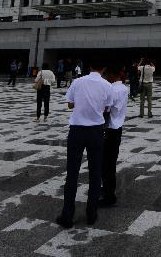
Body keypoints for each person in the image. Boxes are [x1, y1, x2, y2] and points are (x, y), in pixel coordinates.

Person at [56, 61, 113, 229]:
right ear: (104, 68)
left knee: (72, 173)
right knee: (95, 173)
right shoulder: (107, 85)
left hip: (77, 131)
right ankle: (91, 214)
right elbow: (107, 108)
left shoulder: (78, 81)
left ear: (89, 66)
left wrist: (81, 103)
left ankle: (67, 215)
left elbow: (70, 104)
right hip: (96, 132)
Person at [101, 65, 129, 207]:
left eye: (107, 75)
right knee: (110, 162)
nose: (105, 78)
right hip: (117, 128)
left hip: (109, 129)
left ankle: (109, 195)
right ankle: (106, 189)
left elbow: (106, 108)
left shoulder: (112, 89)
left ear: (112, 75)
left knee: (106, 163)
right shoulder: (124, 88)